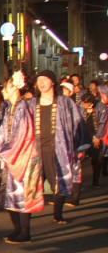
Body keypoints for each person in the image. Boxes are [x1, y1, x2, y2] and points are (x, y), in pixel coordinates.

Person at [33, 70, 89, 225]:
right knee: (31, 184)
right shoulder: (31, 103)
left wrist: (80, 146)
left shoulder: (65, 102)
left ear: (53, 82)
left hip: (59, 149)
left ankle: (57, 213)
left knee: (59, 182)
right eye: (39, 80)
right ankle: (27, 214)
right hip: (35, 150)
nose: (42, 83)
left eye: (45, 79)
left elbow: (78, 122)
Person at [0, 73, 43, 243]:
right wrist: (0, 149)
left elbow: (23, 135)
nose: (3, 90)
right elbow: (3, 133)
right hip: (13, 157)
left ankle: (25, 232)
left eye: (6, 87)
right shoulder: (11, 107)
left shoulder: (23, 107)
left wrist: (3, 151)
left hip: (24, 157)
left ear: (14, 88)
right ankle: (18, 230)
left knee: (23, 196)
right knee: (13, 195)